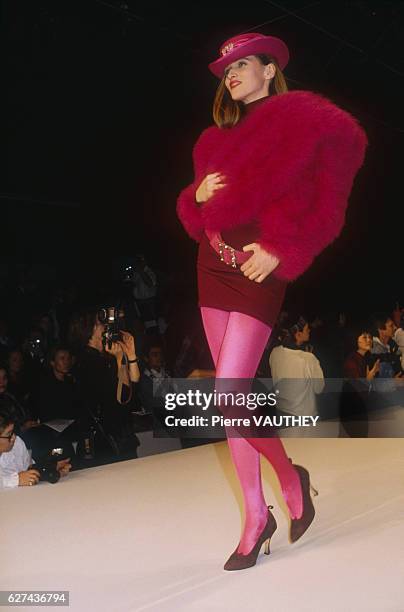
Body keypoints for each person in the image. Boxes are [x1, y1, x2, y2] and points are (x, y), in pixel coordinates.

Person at [177, 32, 367, 570]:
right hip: (212, 264)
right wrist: (195, 197)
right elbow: (193, 214)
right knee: (232, 398)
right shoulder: (210, 141)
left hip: (261, 267)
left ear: (268, 69)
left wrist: (285, 250)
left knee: (229, 392)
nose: (231, 74)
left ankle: (284, 484)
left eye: (241, 65)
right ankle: (261, 512)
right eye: (225, 69)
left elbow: (334, 192)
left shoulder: (303, 118)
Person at [269, 316, 325, 435]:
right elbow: (319, 388)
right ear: (297, 335)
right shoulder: (308, 359)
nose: (309, 330)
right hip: (304, 419)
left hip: (281, 414)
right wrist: (311, 361)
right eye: (306, 329)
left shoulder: (275, 352)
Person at [0, 404, 71, 489]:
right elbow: (17, 479)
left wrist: (50, 468)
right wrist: (16, 480)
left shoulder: (17, 443)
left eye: (13, 432)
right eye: (9, 434)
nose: (13, 437)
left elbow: (29, 469)